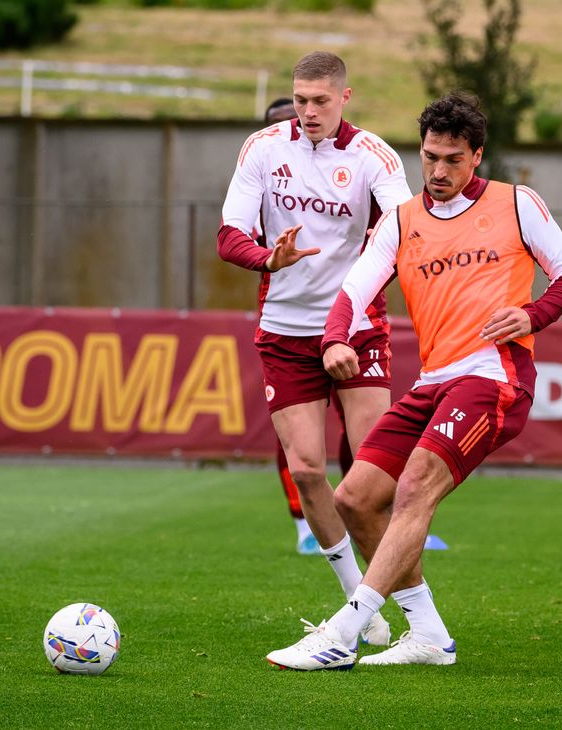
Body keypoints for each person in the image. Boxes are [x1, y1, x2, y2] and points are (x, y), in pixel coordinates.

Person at [264, 92, 562, 670]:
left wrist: (532, 315)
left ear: (477, 157)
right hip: (434, 381)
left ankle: (346, 628)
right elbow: (353, 292)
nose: (438, 172)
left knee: (413, 490)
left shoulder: (518, 205)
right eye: (430, 157)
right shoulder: (401, 219)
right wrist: (336, 337)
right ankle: (429, 635)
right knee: (356, 500)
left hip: (493, 378)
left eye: (453, 160)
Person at [218, 52, 414, 647]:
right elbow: (230, 235)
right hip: (282, 329)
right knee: (307, 470)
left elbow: (408, 234)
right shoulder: (262, 149)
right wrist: (267, 258)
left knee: (373, 478)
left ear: (345, 97)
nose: (307, 111)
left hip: (356, 328)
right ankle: (364, 607)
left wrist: (351, 311)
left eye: (319, 101)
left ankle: (412, 617)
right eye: (299, 100)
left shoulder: (375, 157)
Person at [260, 96, 353, 556]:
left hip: (349, 322)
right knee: (299, 447)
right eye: (288, 117)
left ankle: (367, 513)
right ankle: (303, 523)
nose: (302, 121)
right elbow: (234, 237)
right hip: (287, 323)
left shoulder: (353, 166)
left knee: (364, 435)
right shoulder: (260, 175)